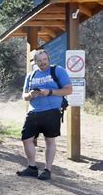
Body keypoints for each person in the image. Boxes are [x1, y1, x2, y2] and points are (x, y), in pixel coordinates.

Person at [17, 49, 72, 180]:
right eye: (39, 61)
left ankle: (47, 170)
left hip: (52, 110)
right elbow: (24, 96)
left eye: (44, 60)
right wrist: (30, 95)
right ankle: (32, 168)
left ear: (48, 59)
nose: (42, 63)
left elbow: (69, 90)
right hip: (34, 111)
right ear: (35, 62)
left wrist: (50, 92)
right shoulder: (31, 75)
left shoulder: (57, 71)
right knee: (26, 139)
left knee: (49, 140)